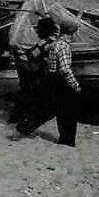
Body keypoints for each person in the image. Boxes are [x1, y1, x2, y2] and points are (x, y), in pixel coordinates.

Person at [17, 17, 81, 147]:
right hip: (61, 81)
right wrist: (75, 85)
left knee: (45, 109)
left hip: (50, 79)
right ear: (72, 33)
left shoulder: (54, 44)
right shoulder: (64, 46)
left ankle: (22, 128)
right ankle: (67, 141)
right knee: (68, 112)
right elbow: (65, 69)